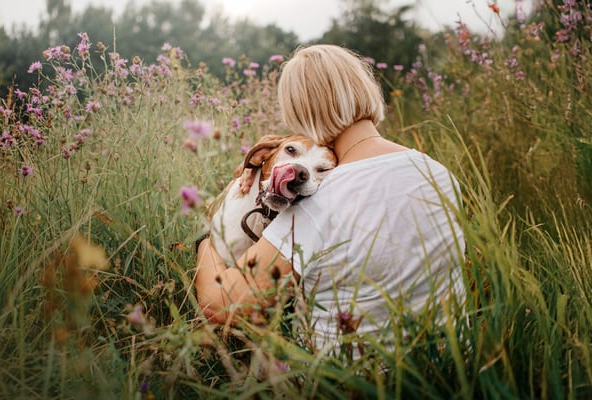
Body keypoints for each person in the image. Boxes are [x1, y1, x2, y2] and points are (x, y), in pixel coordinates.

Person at [194, 44, 466, 353]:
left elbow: (220, 305)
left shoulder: (321, 200)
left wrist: (207, 240)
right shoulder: (439, 174)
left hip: (347, 381)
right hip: (451, 370)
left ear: (300, 112)